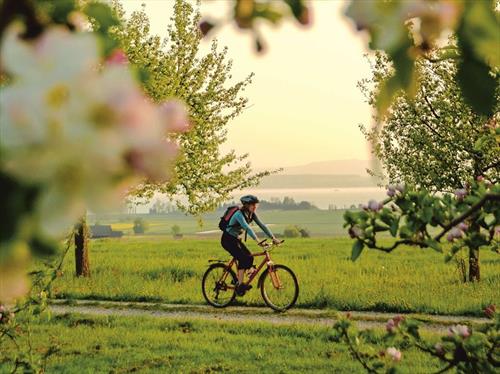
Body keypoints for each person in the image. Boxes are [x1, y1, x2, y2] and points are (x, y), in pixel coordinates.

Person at [221, 194, 280, 296]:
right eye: (253, 205)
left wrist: (273, 238)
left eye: (256, 205)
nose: (255, 207)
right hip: (227, 239)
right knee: (243, 258)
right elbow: (247, 228)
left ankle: (244, 276)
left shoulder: (252, 214)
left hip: (236, 239)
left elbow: (262, 225)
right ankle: (240, 285)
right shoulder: (239, 214)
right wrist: (258, 241)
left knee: (249, 257)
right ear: (246, 205)